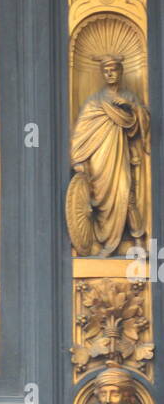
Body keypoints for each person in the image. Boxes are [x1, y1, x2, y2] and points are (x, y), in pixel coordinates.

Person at [70, 56, 150, 255]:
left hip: (120, 157)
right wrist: (78, 159)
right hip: (98, 160)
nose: (110, 74)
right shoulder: (94, 102)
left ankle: (139, 241)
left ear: (121, 71)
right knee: (98, 199)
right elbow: (81, 133)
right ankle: (103, 244)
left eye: (114, 70)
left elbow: (141, 123)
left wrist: (130, 106)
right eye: (106, 71)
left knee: (126, 194)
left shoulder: (129, 98)